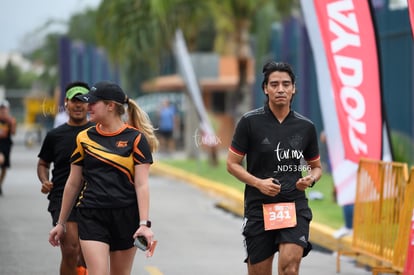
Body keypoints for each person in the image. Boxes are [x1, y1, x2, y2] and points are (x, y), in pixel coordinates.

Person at [48, 81, 159, 275]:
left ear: (110, 106)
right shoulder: (84, 138)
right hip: (92, 215)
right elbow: (74, 183)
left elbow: (142, 185)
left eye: (93, 103)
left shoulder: (136, 139)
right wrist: (61, 223)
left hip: (126, 217)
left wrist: (144, 225)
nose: (87, 107)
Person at [226, 61, 322, 275]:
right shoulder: (250, 122)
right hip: (259, 207)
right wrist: (258, 183)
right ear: (265, 88)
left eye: (286, 84)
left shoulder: (306, 127)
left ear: (294, 88)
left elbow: (316, 167)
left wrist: (310, 179)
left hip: (293, 204)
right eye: (275, 84)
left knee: (290, 266)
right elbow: (232, 164)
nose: (281, 89)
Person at [37, 81, 93, 275]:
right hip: (62, 196)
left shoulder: (98, 132)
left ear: (89, 105)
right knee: (70, 250)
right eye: (74, 100)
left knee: (87, 254)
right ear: (66, 103)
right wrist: (44, 180)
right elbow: (43, 163)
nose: (78, 105)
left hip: (93, 196)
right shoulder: (54, 135)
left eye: (83, 101)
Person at [0, 99, 17, 196]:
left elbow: (13, 133)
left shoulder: (10, 120)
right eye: (1, 109)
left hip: (6, 145)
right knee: (1, 160)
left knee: (4, 167)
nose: (3, 111)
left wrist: (12, 123)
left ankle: (0, 185)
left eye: (4, 109)